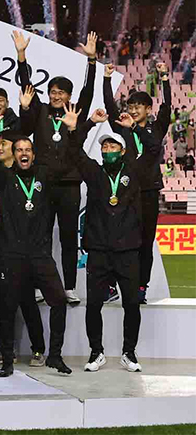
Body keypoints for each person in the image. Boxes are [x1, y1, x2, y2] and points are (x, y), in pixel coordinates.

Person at [0, 104, 73, 377]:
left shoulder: (44, 176)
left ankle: (54, 355)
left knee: (59, 301)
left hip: (40, 255)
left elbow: (69, 156)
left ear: (33, 154)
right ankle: (7, 361)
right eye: (18, 150)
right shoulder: (5, 179)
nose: (23, 153)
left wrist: (74, 130)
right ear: (14, 154)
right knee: (7, 308)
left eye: (27, 149)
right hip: (11, 255)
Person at [16, 30, 97, 305]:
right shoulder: (40, 111)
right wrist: (21, 56)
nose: (55, 96)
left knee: (67, 237)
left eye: (60, 92)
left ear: (68, 96)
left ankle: (70, 287)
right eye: (52, 92)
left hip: (70, 185)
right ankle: (40, 286)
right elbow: (27, 85)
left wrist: (91, 61)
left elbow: (88, 92)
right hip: (43, 183)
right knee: (40, 237)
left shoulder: (75, 113)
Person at [71, 108, 144, 373]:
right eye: (105, 146)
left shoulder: (133, 172)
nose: (108, 150)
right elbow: (74, 149)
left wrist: (131, 128)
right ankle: (96, 352)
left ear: (123, 151)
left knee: (131, 304)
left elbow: (151, 149)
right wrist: (88, 123)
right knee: (93, 304)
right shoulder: (94, 172)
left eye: (113, 146)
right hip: (99, 250)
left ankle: (129, 352)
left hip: (127, 250)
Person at [102, 61, 172, 304]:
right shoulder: (123, 129)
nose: (132, 110)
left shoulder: (155, 128)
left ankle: (142, 286)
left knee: (145, 242)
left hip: (149, 192)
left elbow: (167, 108)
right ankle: (111, 284)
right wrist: (106, 79)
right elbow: (110, 107)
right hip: (126, 193)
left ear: (148, 109)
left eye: (138, 106)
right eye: (130, 106)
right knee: (118, 239)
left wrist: (164, 79)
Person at [0, 124, 47, 368]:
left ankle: (38, 348)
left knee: (26, 299)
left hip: (18, 248)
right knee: (1, 302)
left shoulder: (21, 176)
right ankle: (5, 350)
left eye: (4, 144)